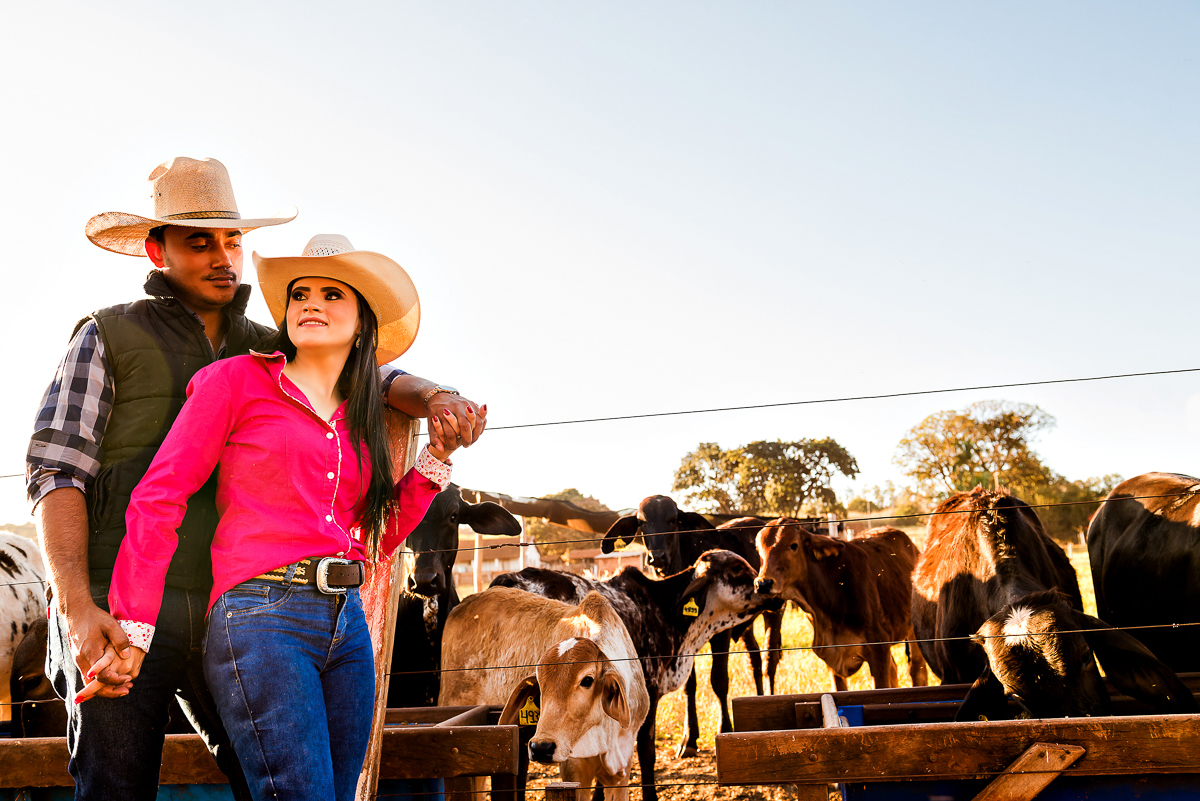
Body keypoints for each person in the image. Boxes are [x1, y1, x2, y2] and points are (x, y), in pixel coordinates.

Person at [26, 158, 484, 801]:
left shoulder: (272, 345)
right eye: (199, 242)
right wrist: (77, 607)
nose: (223, 258)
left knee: (274, 781)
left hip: (233, 600)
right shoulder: (107, 335)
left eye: (232, 240)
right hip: (118, 600)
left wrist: (438, 396)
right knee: (115, 786)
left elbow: (370, 373)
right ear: (157, 251)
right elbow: (55, 470)